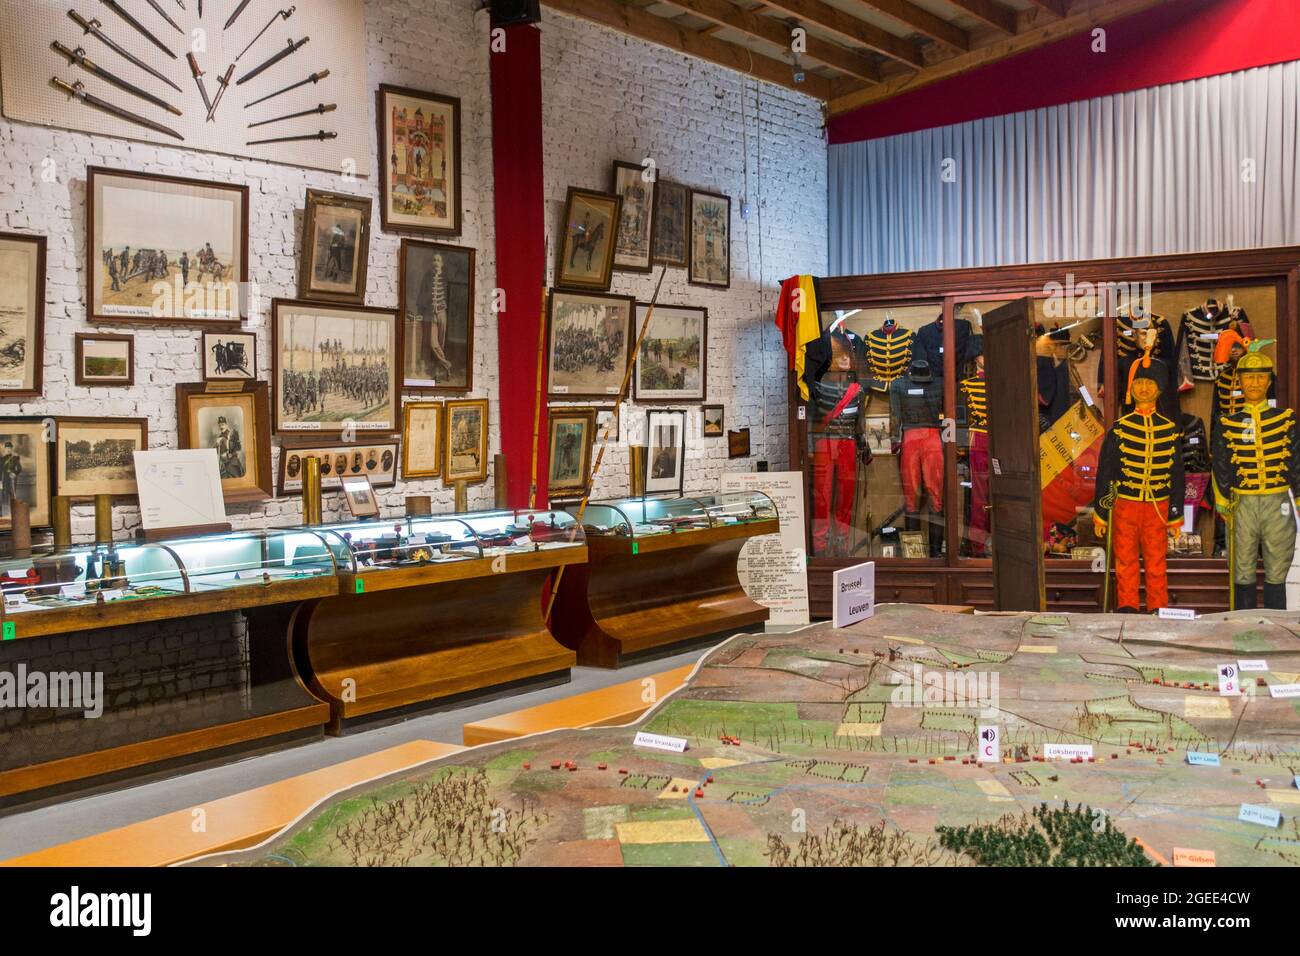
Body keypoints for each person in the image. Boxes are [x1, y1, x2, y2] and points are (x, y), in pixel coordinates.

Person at [1093, 354, 1184, 613]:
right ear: (1131, 388)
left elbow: (1177, 475)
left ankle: (1158, 609)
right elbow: (1106, 474)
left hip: (1158, 506)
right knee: (1125, 561)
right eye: (1139, 383)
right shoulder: (1119, 429)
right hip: (1125, 506)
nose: (1144, 388)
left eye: (1150, 383)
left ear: (1160, 388)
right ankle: (1128, 608)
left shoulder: (1169, 430)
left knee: (1157, 563)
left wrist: (1175, 515)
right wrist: (1102, 513)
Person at [1212, 343, 1299, 610]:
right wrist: (1223, 500)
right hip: (1243, 503)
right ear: (1240, 381)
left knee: (1278, 567)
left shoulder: (1286, 419)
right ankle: (1242, 624)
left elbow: (1295, 461)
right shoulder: (1227, 422)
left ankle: (1278, 627)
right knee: (1242, 568)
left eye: (1260, 376)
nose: (1254, 382)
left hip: (1278, 500)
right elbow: (1221, 465)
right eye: (1249, 377)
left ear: (1269, 380)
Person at [0, 441, 21, 518]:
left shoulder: (15, 458)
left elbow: (19, 468)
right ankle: (4, 513)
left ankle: (14, 513)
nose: (8, 449)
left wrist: (15, 473)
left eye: (10, 448)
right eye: (7, 448)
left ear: (12, 449)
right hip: (4, 479)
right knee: (4, 495)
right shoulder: (2, 459)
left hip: (12, 479)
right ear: (5, 449)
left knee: (13, 495)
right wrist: (0, 482)